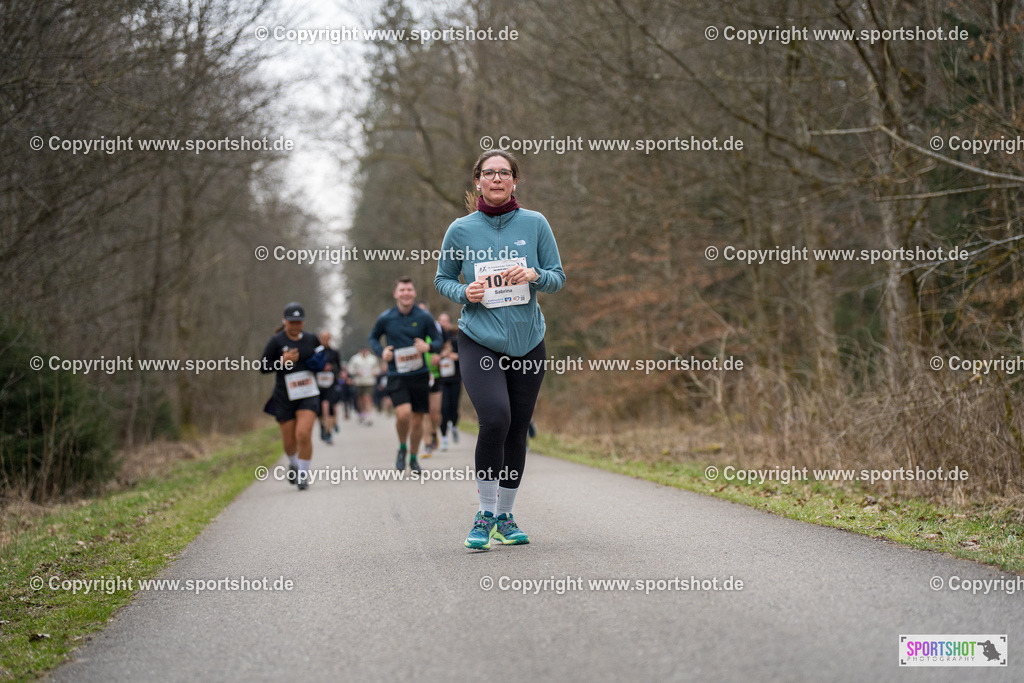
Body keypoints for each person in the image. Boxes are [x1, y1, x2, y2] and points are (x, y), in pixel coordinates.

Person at [435, 149, 564, 549]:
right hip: (480, 339)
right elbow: (443, 279)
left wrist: (534, 274)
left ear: (514, 181)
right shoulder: (460, 230)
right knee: (495, 418)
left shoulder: (535, 223)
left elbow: (557, 278)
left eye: (503, 173)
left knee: (517, 430)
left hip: (528, 342)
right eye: (488, 173)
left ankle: (505, 516)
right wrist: (464, 291)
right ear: (477, 182)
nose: (496, 179)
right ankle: (485, 513)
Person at [368, 277, 442, 472]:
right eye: (402, 290)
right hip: (397, 373)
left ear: (414, 293)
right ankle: (402, 447)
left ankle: (413, 457)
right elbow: (373, 338)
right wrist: (381, 352)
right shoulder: (386, 317)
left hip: (420, 374)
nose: (406, 293)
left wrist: (429, 346)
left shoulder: (424, 317)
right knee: (403, 414)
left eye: (409, 289)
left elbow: (438, 340)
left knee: (418, 419)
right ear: (396, 294)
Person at [260, 302, 326, 491]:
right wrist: (282, 361)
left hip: (308, 393)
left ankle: (303, 476)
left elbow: (322, 362)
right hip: (284, 395)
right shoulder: (276, 341)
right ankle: (294, 464)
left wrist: (319, 360)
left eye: (299, 322)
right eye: (291, 322)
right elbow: (263, 367)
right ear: (284, 321)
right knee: (289, 442)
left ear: (303, 322)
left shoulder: (312, 339)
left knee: (303, 434)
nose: (295, 326)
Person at [419, 300, 444, 457]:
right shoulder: (412, 329)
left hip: (436, 374)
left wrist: (439, 355)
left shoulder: (436, 328)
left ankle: (434, 431)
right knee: (425, 411)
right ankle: (427, 443)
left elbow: (446, 345)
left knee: (435, 412)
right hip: (420, 373)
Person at [437, 312, 461, 450]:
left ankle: (455, 426)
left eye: (446, 320)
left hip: (456, 377)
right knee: (443, 408)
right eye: (441, 320)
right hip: (441, 379)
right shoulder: (435, 340)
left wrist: (453, 356)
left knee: (454, 407)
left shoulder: (456, 338)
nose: (443, 323)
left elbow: (464, 355)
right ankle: (444, 438)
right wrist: (440, 356)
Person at [316, 331, 342, 444]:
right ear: (320, 339)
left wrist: (331, 368)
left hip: (331, 383)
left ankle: (328, 432)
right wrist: (321, 367)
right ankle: (322, 426)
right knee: (320, 409)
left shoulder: (334, 352)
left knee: (330, 407)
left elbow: (339, 368)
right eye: (323, 338)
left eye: (327, 338)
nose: (325, 340)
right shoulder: (316, 352)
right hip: (318, 384)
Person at [348, 346, 379, 425]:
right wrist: (356, 372)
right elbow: (350, 369)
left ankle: (368, 416)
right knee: (360, 399)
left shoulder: (372, 359)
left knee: (367, 398)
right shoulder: (355, 359)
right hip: (359, 382)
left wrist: (374, 372)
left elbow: (377, 369)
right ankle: (361, 414)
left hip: (369, 381)